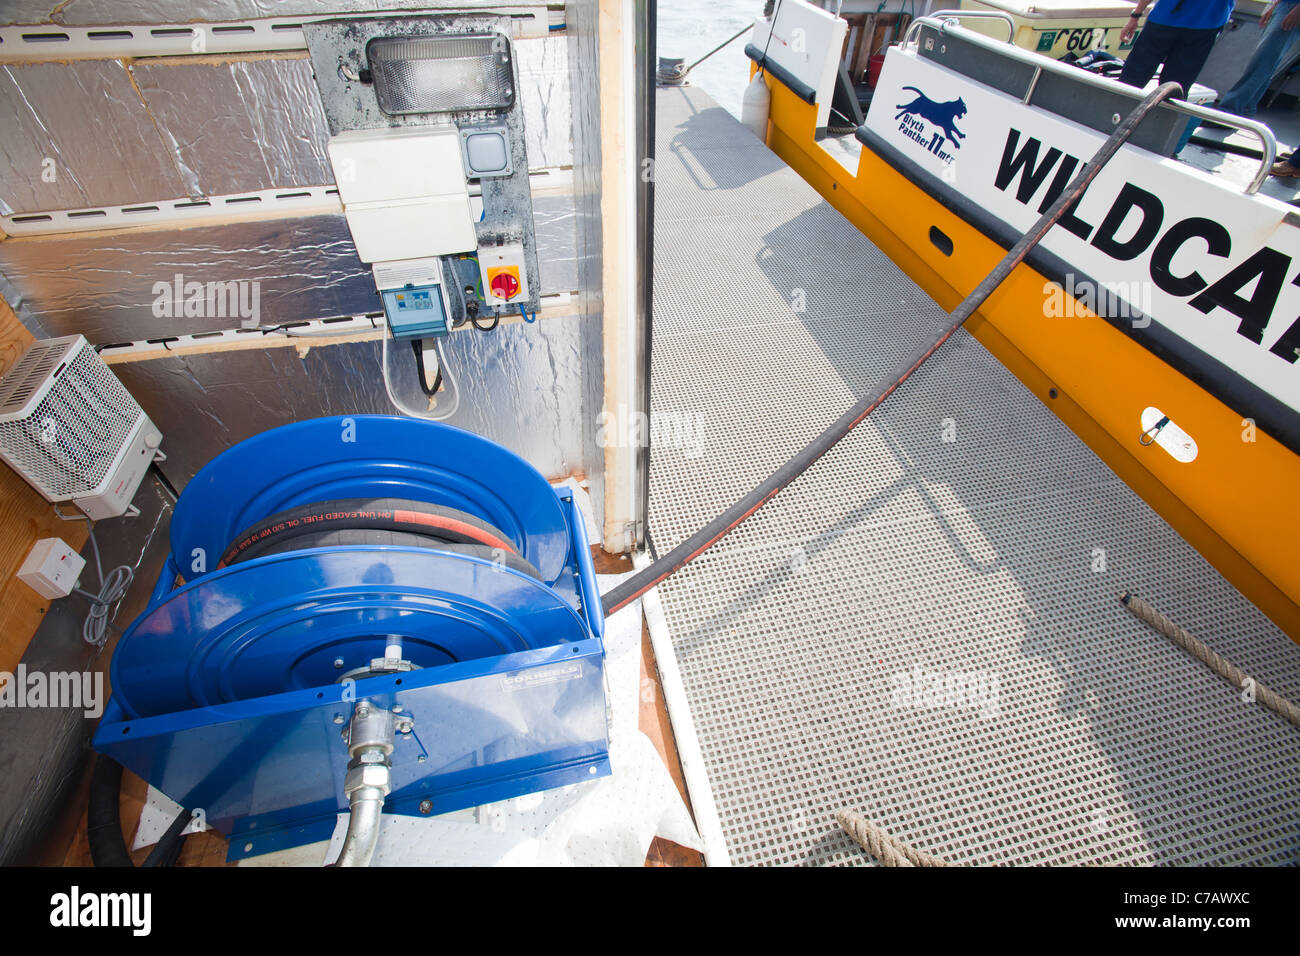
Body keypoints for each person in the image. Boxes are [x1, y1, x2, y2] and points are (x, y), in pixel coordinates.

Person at [1117, 0, 1235, 98]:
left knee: (1132, 80)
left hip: (1165, 21)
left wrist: (1136, 15)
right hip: (1205, 25)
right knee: (1174, 90)